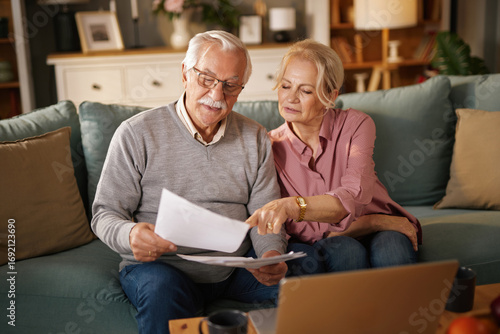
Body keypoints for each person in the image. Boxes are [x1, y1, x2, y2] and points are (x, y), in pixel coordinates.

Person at [91, 31, 288, 334]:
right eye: (206, 79)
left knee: (307, 280)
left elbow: (266, 212)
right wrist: (130, 234)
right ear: (185, 73)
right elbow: (104, 213)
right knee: (161, 290)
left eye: (230, 85)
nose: (217, 95)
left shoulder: (256, 137)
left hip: (236, 267)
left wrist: (270, 255)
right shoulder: (136, 133)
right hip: (163, 268)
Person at [246, 39, 422, 274]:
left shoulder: (356, 124)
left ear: (330, 96)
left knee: (393, 250)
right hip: (352, 232)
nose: (290, 98)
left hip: (382, 227)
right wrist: (374, 221)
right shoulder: (269, 146)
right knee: (345, 250)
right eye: (286, 86)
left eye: (306, 90)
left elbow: (354, 195)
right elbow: (308, 232)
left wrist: (292, 206)